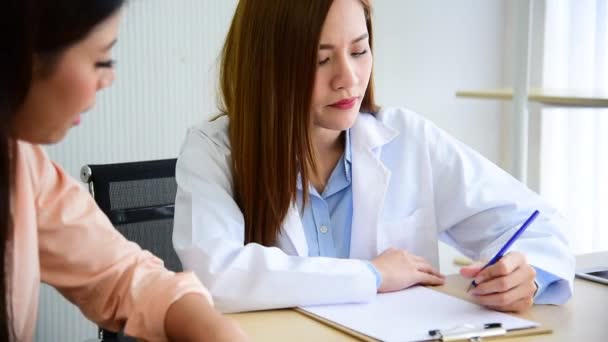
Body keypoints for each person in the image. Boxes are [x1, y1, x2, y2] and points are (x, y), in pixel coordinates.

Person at [173, 0, 574, 314]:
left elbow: (537, 224)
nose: (348, 78)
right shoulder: (214, 151)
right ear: (267, 67)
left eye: (360, 50)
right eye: (321, 59)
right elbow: (215, 275)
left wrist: (529, 275)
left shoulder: (409, 139)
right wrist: (371, 274)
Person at [0, 0, 247, 340]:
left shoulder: (24, 167)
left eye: (352, 53)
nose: (109, 79)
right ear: (19, 52)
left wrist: (214, 331)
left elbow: (121, 274)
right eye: (102, 59)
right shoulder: (212, 144)